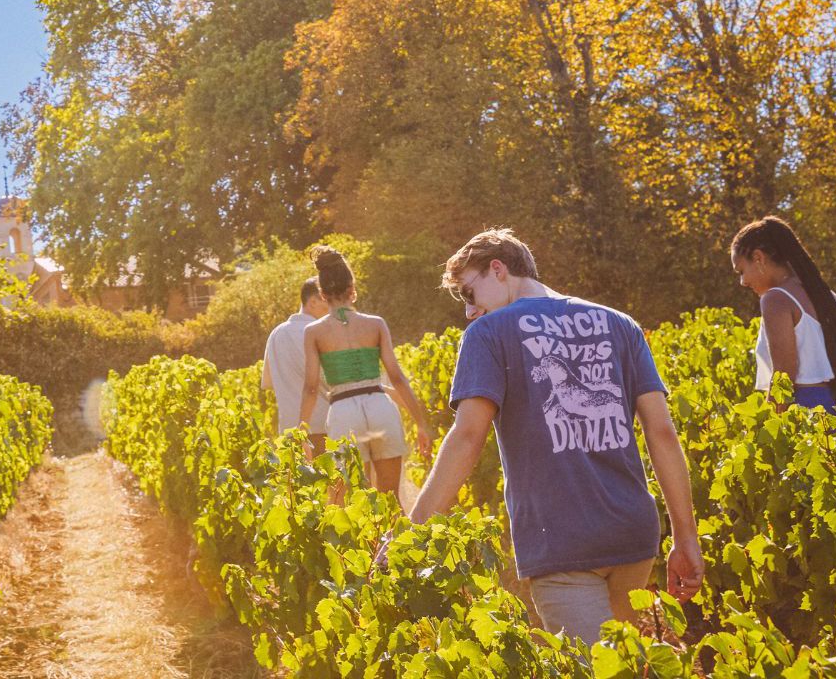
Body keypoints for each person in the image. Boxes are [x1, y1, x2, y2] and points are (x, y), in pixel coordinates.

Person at [410, 228, 704, 647]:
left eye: (469, 295)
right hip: (633, 533)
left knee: (595, 669)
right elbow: (661, 434)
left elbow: (467, 437)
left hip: (560, 539)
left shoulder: (489, 335)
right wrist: (685, 537)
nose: (470, 312)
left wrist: (413, 530)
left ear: (498, 269)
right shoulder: (621, 324)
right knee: (632, 661)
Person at [296, 247, 435, 498]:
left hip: (343, 414)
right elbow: (397, 377)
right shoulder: (376, 324)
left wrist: (301, 432)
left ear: (322, 293)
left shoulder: (314, 332)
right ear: (353, 289)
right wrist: (421, 423)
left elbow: (311, 387)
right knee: (391, 501)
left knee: (358, 504)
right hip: (380, 406)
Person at [729, 216, 836, 410]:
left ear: (758, 258)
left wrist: (772, 426)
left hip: (806, 408)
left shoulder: (775, 299)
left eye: (741, 271)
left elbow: (783, 376)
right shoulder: (826, 294)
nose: (742, 282)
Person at [262, 276, 332, 457]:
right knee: (331, 483)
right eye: (327, 302)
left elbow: (268, 383)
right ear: (313, 302)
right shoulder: (321, 332)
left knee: (301, 484)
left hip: (289, 432)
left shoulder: (276, 334)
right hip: (323, 427)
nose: (331, 309)